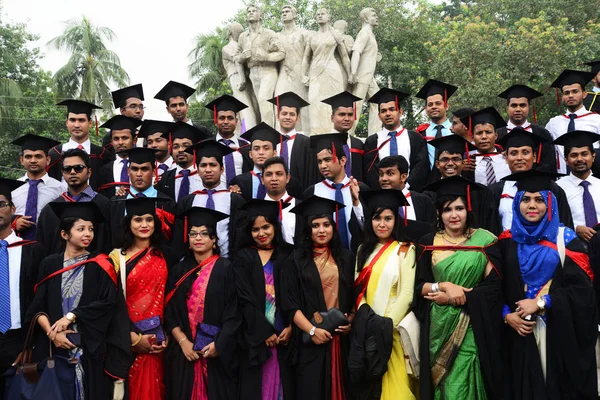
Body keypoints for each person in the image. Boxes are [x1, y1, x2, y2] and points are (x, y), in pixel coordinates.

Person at [498, 170, 597, 399]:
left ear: (550, 203)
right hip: (517, 333)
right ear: (517, 203)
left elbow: (583, 291)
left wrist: (542, 302)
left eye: (539, 199)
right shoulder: (505, 241)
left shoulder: (565, 239)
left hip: (557, 333)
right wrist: (506, 315)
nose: (532, 205)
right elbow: (494, 288)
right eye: (525, 199)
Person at [26, 201, 128, 400]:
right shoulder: (50, 264)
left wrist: (71, 317)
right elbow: (37, 306)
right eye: (81, 229)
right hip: (53, 349)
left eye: (90, 229)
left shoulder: (101, 263)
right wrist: (52, 333)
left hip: (88, 349)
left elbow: (108, 303)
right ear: (65, 234)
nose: (88, 234)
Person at [414, 177, 503, 400]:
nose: (454, 215)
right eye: (448, 209)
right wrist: (443, 285)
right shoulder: (427, 242)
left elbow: (493, 288)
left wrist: (456, 298)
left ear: (468, 210)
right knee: (441, 384)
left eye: (460, 208)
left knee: (463, 382)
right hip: (438, 326)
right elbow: (418, 287)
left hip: (473, 321)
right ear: (438, 213)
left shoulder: (485, 240)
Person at [280, 196, 356, 400]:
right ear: (308, 229)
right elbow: (290, 304)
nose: (322, 230)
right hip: (311, 339)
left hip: (341, 340)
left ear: (333, 226)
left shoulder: (346, 258)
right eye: (315, 226)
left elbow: (355, 296)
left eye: (326, 224)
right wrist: (312, 330)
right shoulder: (295, 261)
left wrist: (350, 321)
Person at [164, 207, 240, 399]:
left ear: (214, 240)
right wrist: (183, 342)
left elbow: (235, 312)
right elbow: (169, 311)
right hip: (184, 354)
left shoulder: (227, 269)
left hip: (216, 355)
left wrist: (219, 344)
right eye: (193, 234)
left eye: (204, 234)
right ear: (188, 240)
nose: (198, 238)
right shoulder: (178, 271)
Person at [352, 189, 417, 399]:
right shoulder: (363, 250)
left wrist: (384, 327)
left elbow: (407, 294)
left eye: (388, 218)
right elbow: (357, 289)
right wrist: (366, 321)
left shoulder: (406, 249)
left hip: (392, 331)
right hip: (366, 331)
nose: (382, 224)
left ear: (395, 221)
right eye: (377, 218)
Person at [109, 197, 172, 400]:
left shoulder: (166, 256)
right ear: (129, 223)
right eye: (138, 220)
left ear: (156, 223)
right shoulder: (117, 258)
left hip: (159, 341)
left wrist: (168, 334)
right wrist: (133, 338)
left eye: (149, 219)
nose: (144, 225)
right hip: (126, 337)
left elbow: (172, 299)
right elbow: (112, 302)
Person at [233, 200, 295, 399]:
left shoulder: (287, 255)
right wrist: (263, 332)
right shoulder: (243, 257)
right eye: (255, 229)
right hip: (255, 338)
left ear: (275, 227)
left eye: (266, 227)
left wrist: (292, 327)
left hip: (284, 334)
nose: (261, 233)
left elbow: (296, 295)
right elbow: (244, 298)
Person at [0, 178, 46, 399]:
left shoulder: (32, 251)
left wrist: (31, 343)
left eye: (1, 204)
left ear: (13, 209)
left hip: (20, 341)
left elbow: (40, 300)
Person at [174, 140, 246, 259]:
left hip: (228, 264)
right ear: (197, 169)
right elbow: (179, 238)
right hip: (196, 265)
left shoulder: (235, 200)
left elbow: (241, 238)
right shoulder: (188, 202)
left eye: (213, 165)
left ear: (222, 169)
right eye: (203, 165)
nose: (208, 170)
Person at [491, 129, 573, 232]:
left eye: (525, 153)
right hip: (506, 246)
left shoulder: (552, 189)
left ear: (534, 157)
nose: (519, 158)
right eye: (514, 153)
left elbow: (564, 225)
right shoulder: (495, 191)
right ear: (506, 158)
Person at [35, 148, 112, 254]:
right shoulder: (51, 209)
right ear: (62, 173)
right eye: (67, 169)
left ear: (89, 172)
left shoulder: (105, 205)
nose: (72, 172)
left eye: (78, 168)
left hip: (95, 267)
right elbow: (42, 248)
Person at [305, 133, 368, 252]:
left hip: (357, 258)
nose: (323, 166)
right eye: (319, 161)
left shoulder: (360, 189)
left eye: (327, 160)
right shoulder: (312, 192)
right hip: (325, 262)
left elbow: (368, 228)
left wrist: (357, 204)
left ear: (343, 160)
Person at [363, 88, 429, 191]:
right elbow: (370, 172)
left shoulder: (415, 138)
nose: (388, 114)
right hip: (382, 195)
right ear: (379, 116)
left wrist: (405, 187)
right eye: (383, 111)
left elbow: (420, 168)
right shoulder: (372, 141)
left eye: (392, 109)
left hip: (410, 193)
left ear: (400, 112)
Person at [109, 148, 176, 249]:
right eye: (135, 169)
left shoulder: (166, 203)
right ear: (128, 171)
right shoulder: (115, 203)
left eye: (144, 169)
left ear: (154, 172)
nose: (139, 174)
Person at [302, 8, 352, 134]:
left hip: (332, 71)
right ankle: (317, 134)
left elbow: (344, 56)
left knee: (335, 103)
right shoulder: (312, 36)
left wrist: (350, 73)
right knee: (314, 102)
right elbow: (306, 57)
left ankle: (336, 133)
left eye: (322, 14)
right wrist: (303, 74)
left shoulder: (335, 34)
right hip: (315, 73)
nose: (320, 16)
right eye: (317, 14)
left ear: (328, 17)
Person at [237, 4, 285, 127]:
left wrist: (267, 57)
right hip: (253, 72)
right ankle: (265, 131)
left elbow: (281, 53)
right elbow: (237, 58)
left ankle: (268, 135)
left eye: (254, 11)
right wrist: (242, 57)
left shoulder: (269, 33)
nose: (251, 13)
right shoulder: (243, 37)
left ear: (260, 15)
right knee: (260, 104)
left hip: (268, 70)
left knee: (264, 99)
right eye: (249, 11)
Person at [230, 122, 303, 200]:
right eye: (256, 148)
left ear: (275, 153)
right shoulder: (239, 182)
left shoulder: (291, 183)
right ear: (250, 154)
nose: (261, 152)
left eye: (266, 148)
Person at [48, 100, 110, 191]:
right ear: (66, 123)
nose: (76, 125)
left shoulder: (102, 154)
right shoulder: (55, 154)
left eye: (81, 120)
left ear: (90, 123)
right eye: (72, 120)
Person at [546, 69, 600, 174]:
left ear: (584, 94)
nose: (570, 95)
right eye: (566, 93)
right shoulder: (553, 123)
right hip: (562, 180)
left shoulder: (597, 120)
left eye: (575, 91)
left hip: (593, 178)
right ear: (562, 97)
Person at [10, 134, 62, 240]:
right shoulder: (11, 187)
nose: (33, 160)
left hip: (48, 244)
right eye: (28, 156)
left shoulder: (60, 188)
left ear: (48, 160)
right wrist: (14, 221)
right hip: (16, 244)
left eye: (38, 156)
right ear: (21, 160)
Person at [496, 84, 557, 173]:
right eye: (514, 105)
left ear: (529, 108)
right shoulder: (496, 135)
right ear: (507, 109)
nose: (518, 109)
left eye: (522, 105)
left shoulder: (542, 134)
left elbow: (549, 165)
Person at [555, 130, 600, 242]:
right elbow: (552, 221)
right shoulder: (557, 188)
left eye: (584, 154)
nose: (580, 159)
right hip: (572, 249)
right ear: (566, 160)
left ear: (593, 157)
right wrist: (575, 229)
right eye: (574, 155)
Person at [268, 91, 318, 189]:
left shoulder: (307, 143)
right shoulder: (270, 142)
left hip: (300, 196)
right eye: (284, 113)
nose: (288, 117)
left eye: (292, 114)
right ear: (278, 116)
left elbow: (311, 174)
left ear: (297, 118)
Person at [275, 4, 312, 132]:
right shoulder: (277, 36)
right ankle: (279, 139)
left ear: (294, 15)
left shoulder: (304, 34)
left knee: (303, 107)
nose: (284, 13)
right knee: (279, 103)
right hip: (284, 73)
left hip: (300, 74)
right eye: (282, 12)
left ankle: (305, 138)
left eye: (287, 11)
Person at [155, 122, 211, 202]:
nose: (181, 150)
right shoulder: (164, 179)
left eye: (186, 146)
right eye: (176, 147)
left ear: (194, 149)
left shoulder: (206, 176)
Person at [205, 94, 252, 186]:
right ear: (215, 121)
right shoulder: (206, 146)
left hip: (242, 197)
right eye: (222, 118)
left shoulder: (246, 147)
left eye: (230, 118)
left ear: (236, 121)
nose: (226, 122)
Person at [377, 155, 436, 224]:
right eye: (381, 174)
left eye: (390, 174)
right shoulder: (376, 203)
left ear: (403, 177)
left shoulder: (424, 201)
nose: (383, 179)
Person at [321, 91, 365, 182]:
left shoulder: (358, 144)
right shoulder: (321, 144)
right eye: (342, 114)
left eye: (350, 114)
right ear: (332, 117)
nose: (347, 119)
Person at [461, 107, 511, 186]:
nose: (484, 136)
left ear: (496, 135)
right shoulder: (468, 164)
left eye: (488, 132)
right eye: (479, 133)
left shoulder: (507, 158)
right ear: (473, 137)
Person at [414, 80, 458, 169]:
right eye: (430, 104)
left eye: (438, 103)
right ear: (426, 109)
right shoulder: (420, 133)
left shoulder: (456, 130)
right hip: (427, 181)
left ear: (446, 106)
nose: (434, 107)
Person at [262, 156, 304, 245]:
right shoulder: (256, 209)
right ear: (262, 179)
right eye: (269, 174)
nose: (274, 178)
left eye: (279, 174)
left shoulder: (301, 208)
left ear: (288, 178)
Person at [97, 115, 141, 198]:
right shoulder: (104, 170)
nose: (120, 142)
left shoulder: (143, 166)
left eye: (125, 138)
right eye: (116, 139)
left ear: (134, 140)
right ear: (111, 142)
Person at [102, 84, 145, 157]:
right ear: (122, 110)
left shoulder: (147, 134)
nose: (138, 110)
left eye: (141, 107)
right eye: (133, 106)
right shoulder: (109, 137)